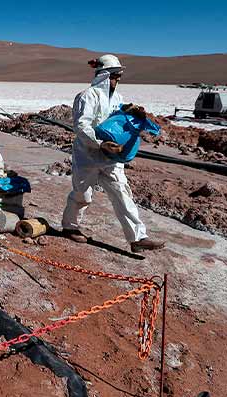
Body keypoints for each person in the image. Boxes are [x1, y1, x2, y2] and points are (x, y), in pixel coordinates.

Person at [61, 54, 165, 253]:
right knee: (83, 194)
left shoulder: (117, 98)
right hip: (88, 154)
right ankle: (70, 227)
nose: (118, 80)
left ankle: (138, 238)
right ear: (105, 75)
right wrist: (100, 144)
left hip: (111, 157)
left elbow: (117, 119)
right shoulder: (87, 96)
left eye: (119, 76)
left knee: (122, 193)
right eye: (116, 76)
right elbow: (81, 126)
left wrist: (130, 112)